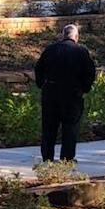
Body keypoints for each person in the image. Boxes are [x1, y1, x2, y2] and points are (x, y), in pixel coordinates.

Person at [33, 24, 97, 162]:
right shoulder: (81, 52)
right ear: (76, 37)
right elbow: (90, 73)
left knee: (49, 126)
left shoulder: (50, 50)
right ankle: (67, 158)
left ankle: (47, 157)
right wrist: (84, 89)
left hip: (50, 92)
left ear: (63, 35)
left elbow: (38, 69)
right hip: (72, 94)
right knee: (70, 126)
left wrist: (41, 85)